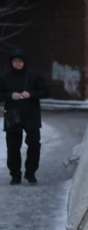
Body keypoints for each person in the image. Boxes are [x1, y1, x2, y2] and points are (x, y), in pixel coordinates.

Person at [2, 49, 50, 185]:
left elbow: (46, 92)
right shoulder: (5, 77)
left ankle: (30, 173)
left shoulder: (34, 76)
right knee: (13, 148)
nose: (18, 63)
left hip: (31, 115)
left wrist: (31, 94)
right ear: (11, 62)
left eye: (20, 61)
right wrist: (10, 95)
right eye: (15, 61)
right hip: (13, 116)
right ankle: (15, 175)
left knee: (34, 145)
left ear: (24, 62)